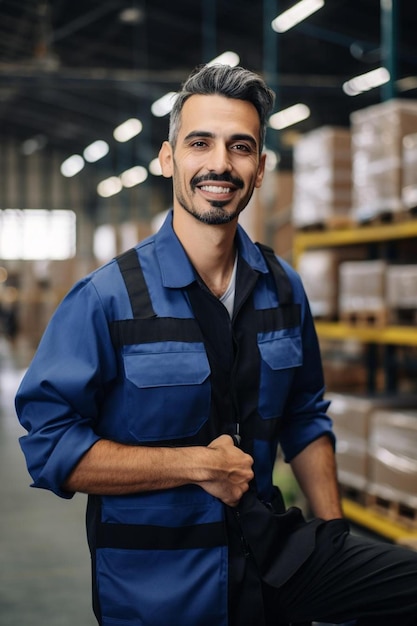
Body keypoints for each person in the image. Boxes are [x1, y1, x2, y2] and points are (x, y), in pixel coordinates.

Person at [15, 64, 417, 626]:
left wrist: (333, 537)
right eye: (200, 143)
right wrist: (193, 466)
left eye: (241, 147)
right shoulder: (105, 298)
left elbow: (305, 415)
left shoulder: (283, 287)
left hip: (273, 556)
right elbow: (51, 447)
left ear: (259, 169)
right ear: (167, 158)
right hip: (162, 584)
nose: (220, 164)